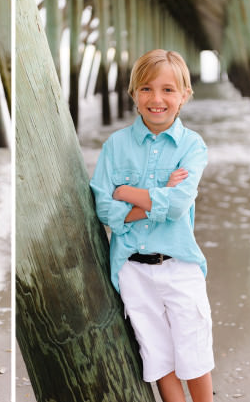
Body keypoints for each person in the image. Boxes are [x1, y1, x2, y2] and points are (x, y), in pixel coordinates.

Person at [89, 49, 212, 401]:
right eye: (146, 89)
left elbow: (176, 206)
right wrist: (155, 196)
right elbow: (104, 210)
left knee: (194, 351)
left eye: (168, 90)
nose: (156, 99)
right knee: (157, 357)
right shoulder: (115, 146)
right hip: (132, 271)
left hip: (179, 266)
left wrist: (126, 192)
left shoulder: (192, 146)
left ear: (185, 96)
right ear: (133, 94)